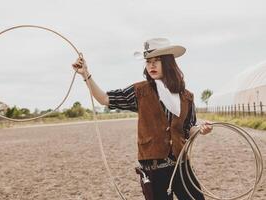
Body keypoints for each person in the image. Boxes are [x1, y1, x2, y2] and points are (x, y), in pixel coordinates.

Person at [72, 38, 213, 200]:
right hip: (154, 172)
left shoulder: (186, 96)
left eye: (156, 61)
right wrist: (86, 74)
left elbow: (189, 128)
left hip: (181, 167)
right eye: (148, 62)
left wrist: (202, 129)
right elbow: (105, 99)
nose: (151, 65)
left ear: (168, 63)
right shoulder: (140, 91)